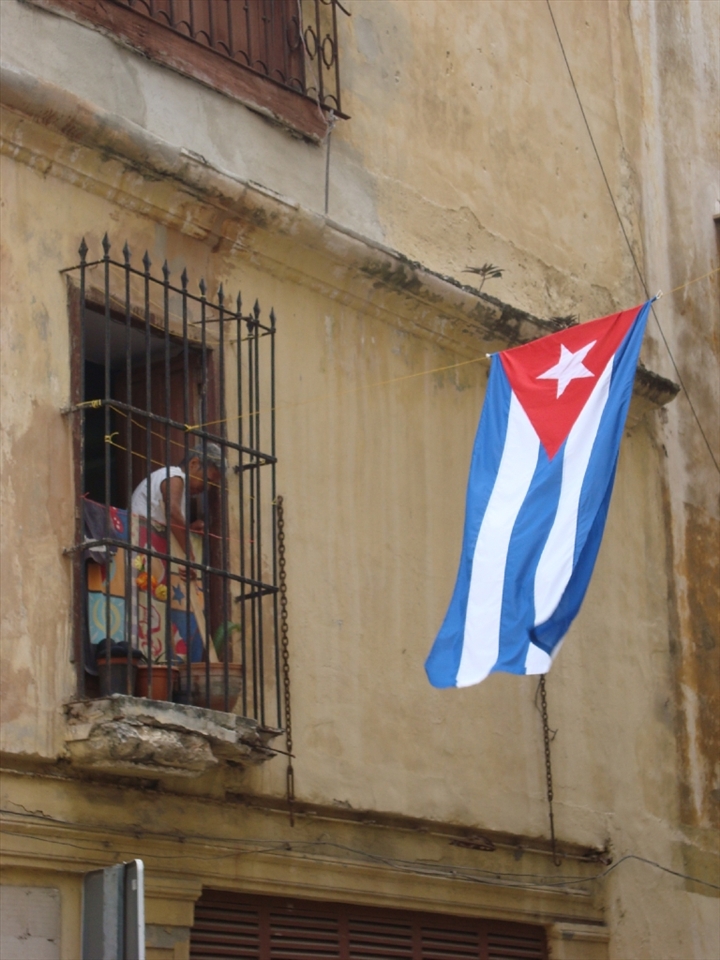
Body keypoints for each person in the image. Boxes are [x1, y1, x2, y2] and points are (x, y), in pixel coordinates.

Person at [131, 443, 223, 568]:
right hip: (139, 549)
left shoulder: (172, 479)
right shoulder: (175, 476)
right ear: (193, 464)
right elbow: (172, 513)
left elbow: (166, 519)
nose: (207, 487)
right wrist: (190, 556)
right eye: (207, 480)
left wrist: (189, 529)